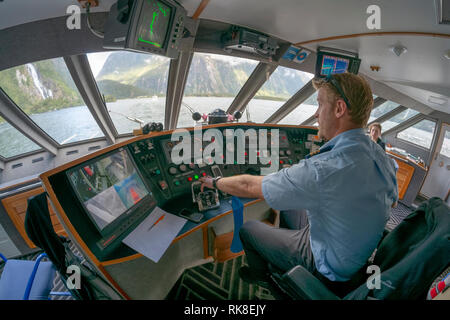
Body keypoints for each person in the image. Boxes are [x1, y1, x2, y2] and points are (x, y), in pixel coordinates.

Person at [200, 73, 398, 287]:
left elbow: (248, 185)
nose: (315, 114)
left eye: (320, 104)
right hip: (354, 253)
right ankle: (286, 258)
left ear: (339, 109)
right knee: (290, 207)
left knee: (247, 229)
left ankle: (264, 278)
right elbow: (392, 201)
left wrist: (215, 182)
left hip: (327, 265)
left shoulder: (324, 169)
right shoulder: (384, 160)